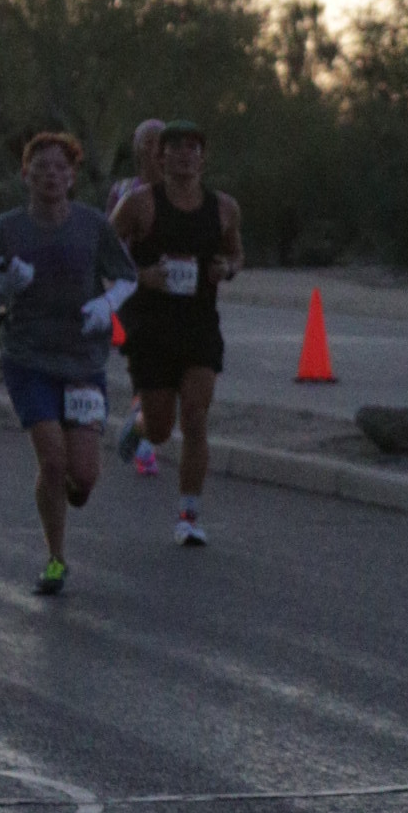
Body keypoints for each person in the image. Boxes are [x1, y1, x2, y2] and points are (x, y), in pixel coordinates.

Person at [0, 130, 138, 593]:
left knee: (82, 477)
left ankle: (69, 489)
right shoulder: (7, 229)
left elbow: (127, 277)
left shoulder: (92, 225)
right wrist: (5, 289)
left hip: (83, 361)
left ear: (72, 177)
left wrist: (107, 305)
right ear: (25, 174)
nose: (51, 175)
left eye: (60, 168)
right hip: (28, 359)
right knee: (51, 459)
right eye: (41, 167)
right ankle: (55, 559)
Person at [115, 122, 242, 545]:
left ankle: (189, 517)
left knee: (196, 416)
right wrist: (142, 276)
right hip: (151, 328)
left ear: (203, 159)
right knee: (160, 429)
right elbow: (102, 252)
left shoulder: (224, 208)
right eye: (175, 148)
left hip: (199, 325)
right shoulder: (138, 205)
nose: (185, 155)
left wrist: (227, 269)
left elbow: (236, 254)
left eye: (193, 148)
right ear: (160, 157)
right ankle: (139, 425)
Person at [108, 120, 169, 471]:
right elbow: (109, 243)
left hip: (175, 292)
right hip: (134, 290)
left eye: (160, 141)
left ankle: (140, 423)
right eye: (147, 141)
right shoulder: (122, 191)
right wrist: (136, 274)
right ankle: (144, 443)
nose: (153, 148)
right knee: (145, 365)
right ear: (137, 148)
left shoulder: (182, 192)